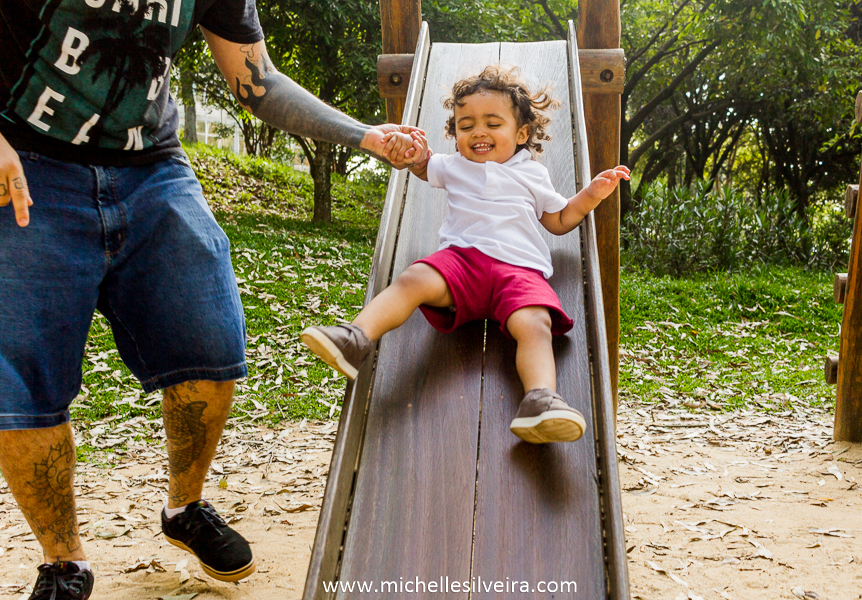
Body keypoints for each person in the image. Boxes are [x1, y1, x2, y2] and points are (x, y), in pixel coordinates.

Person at [0, 0, 426, 598]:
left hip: (152, 168)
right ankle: (64, 562)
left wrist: (366, 136)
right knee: (21, 381)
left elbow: (259, 81)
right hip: (26, 167)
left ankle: (185, 507)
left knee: (211, 343)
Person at [301, 65, 629, 445]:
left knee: (535, 324)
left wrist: (591, 195)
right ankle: (356, 337)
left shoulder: (533, 174)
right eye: (466, 125)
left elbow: (558, 220)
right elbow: (422, 165)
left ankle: (540, 399)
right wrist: (413, 151)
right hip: (461, 262)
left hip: (519, 272)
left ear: (521, 133)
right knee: (413, 278)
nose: (478, 132)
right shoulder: (453, 165)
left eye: (493, 123)